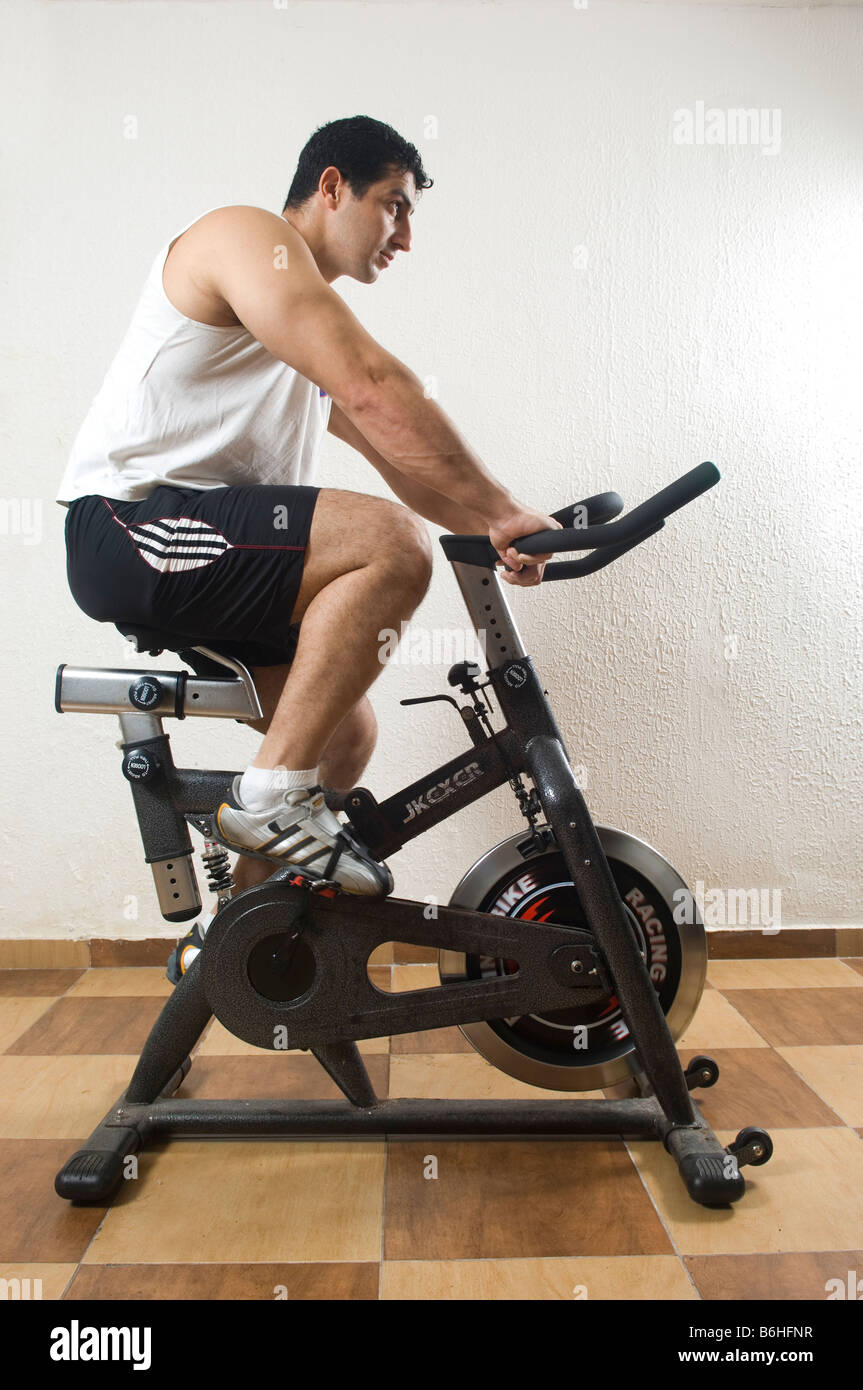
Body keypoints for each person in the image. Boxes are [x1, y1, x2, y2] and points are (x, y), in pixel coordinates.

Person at [56, 114, 562, 981]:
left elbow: (396, 457)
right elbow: (373, 388)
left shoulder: (290, 332)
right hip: (131, 528)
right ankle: (269, 801)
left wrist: (494, 527)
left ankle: (230, 959)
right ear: (330, 187)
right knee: (392, 549)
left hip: (202, 548)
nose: (402, 235)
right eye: (391, 206)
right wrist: (499, 504)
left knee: (341, 735)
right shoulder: (243, 238)